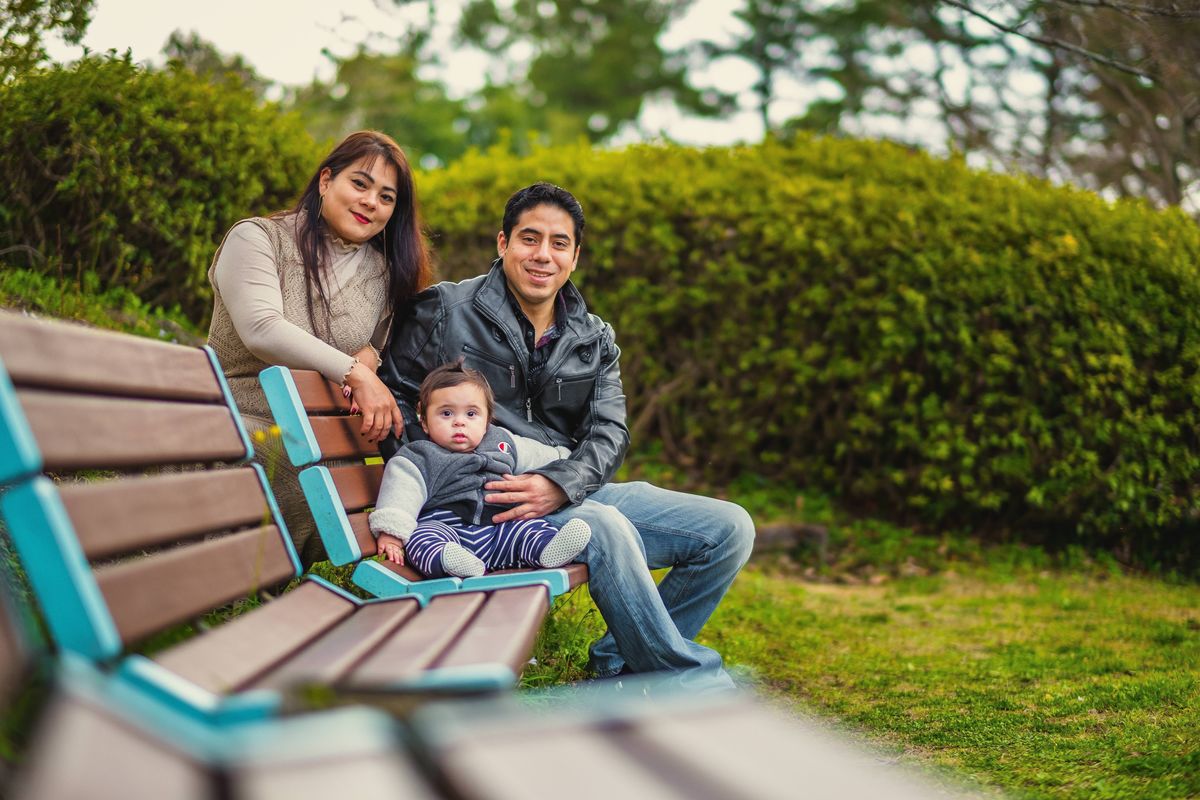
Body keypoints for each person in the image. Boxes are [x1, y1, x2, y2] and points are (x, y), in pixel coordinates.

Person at [379, 182, 755, 685]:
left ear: (575, 257)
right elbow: (397, 396)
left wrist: (561, 484)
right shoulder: (445, 311)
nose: (543, 255)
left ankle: (619, 663)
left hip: (571, 490)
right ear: (502, 243)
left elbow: (609, 431)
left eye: (559, 243)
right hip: (491, 506)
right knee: (606, 526)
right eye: (529, 238)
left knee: (729, 529)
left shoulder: (593, 338)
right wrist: (457, 483)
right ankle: (681, 678)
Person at [207, 130, 430, 567]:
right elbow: (261, 328)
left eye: (387, 197)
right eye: (360, 184)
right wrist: (356, 371)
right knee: (317, 491)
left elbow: (377, 343)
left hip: (317, 439)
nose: (371, 202)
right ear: (326, 181)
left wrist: (370, 358)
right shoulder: (257, 239)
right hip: (237, 415)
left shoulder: (385, 275)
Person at [369, 360, 592, 578]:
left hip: (498, 529)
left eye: (471, 414)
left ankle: (547, 549)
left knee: (526, 529)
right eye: (446, 413)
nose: (459, 422)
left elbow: (539, 455)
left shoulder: (502, 443)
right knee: (423, 539)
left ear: (487, 421)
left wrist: (566, 459)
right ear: (425, 421)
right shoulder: (420, 456)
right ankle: (452, 562)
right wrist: (391, 533)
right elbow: (401, 490)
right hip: (446, 528)